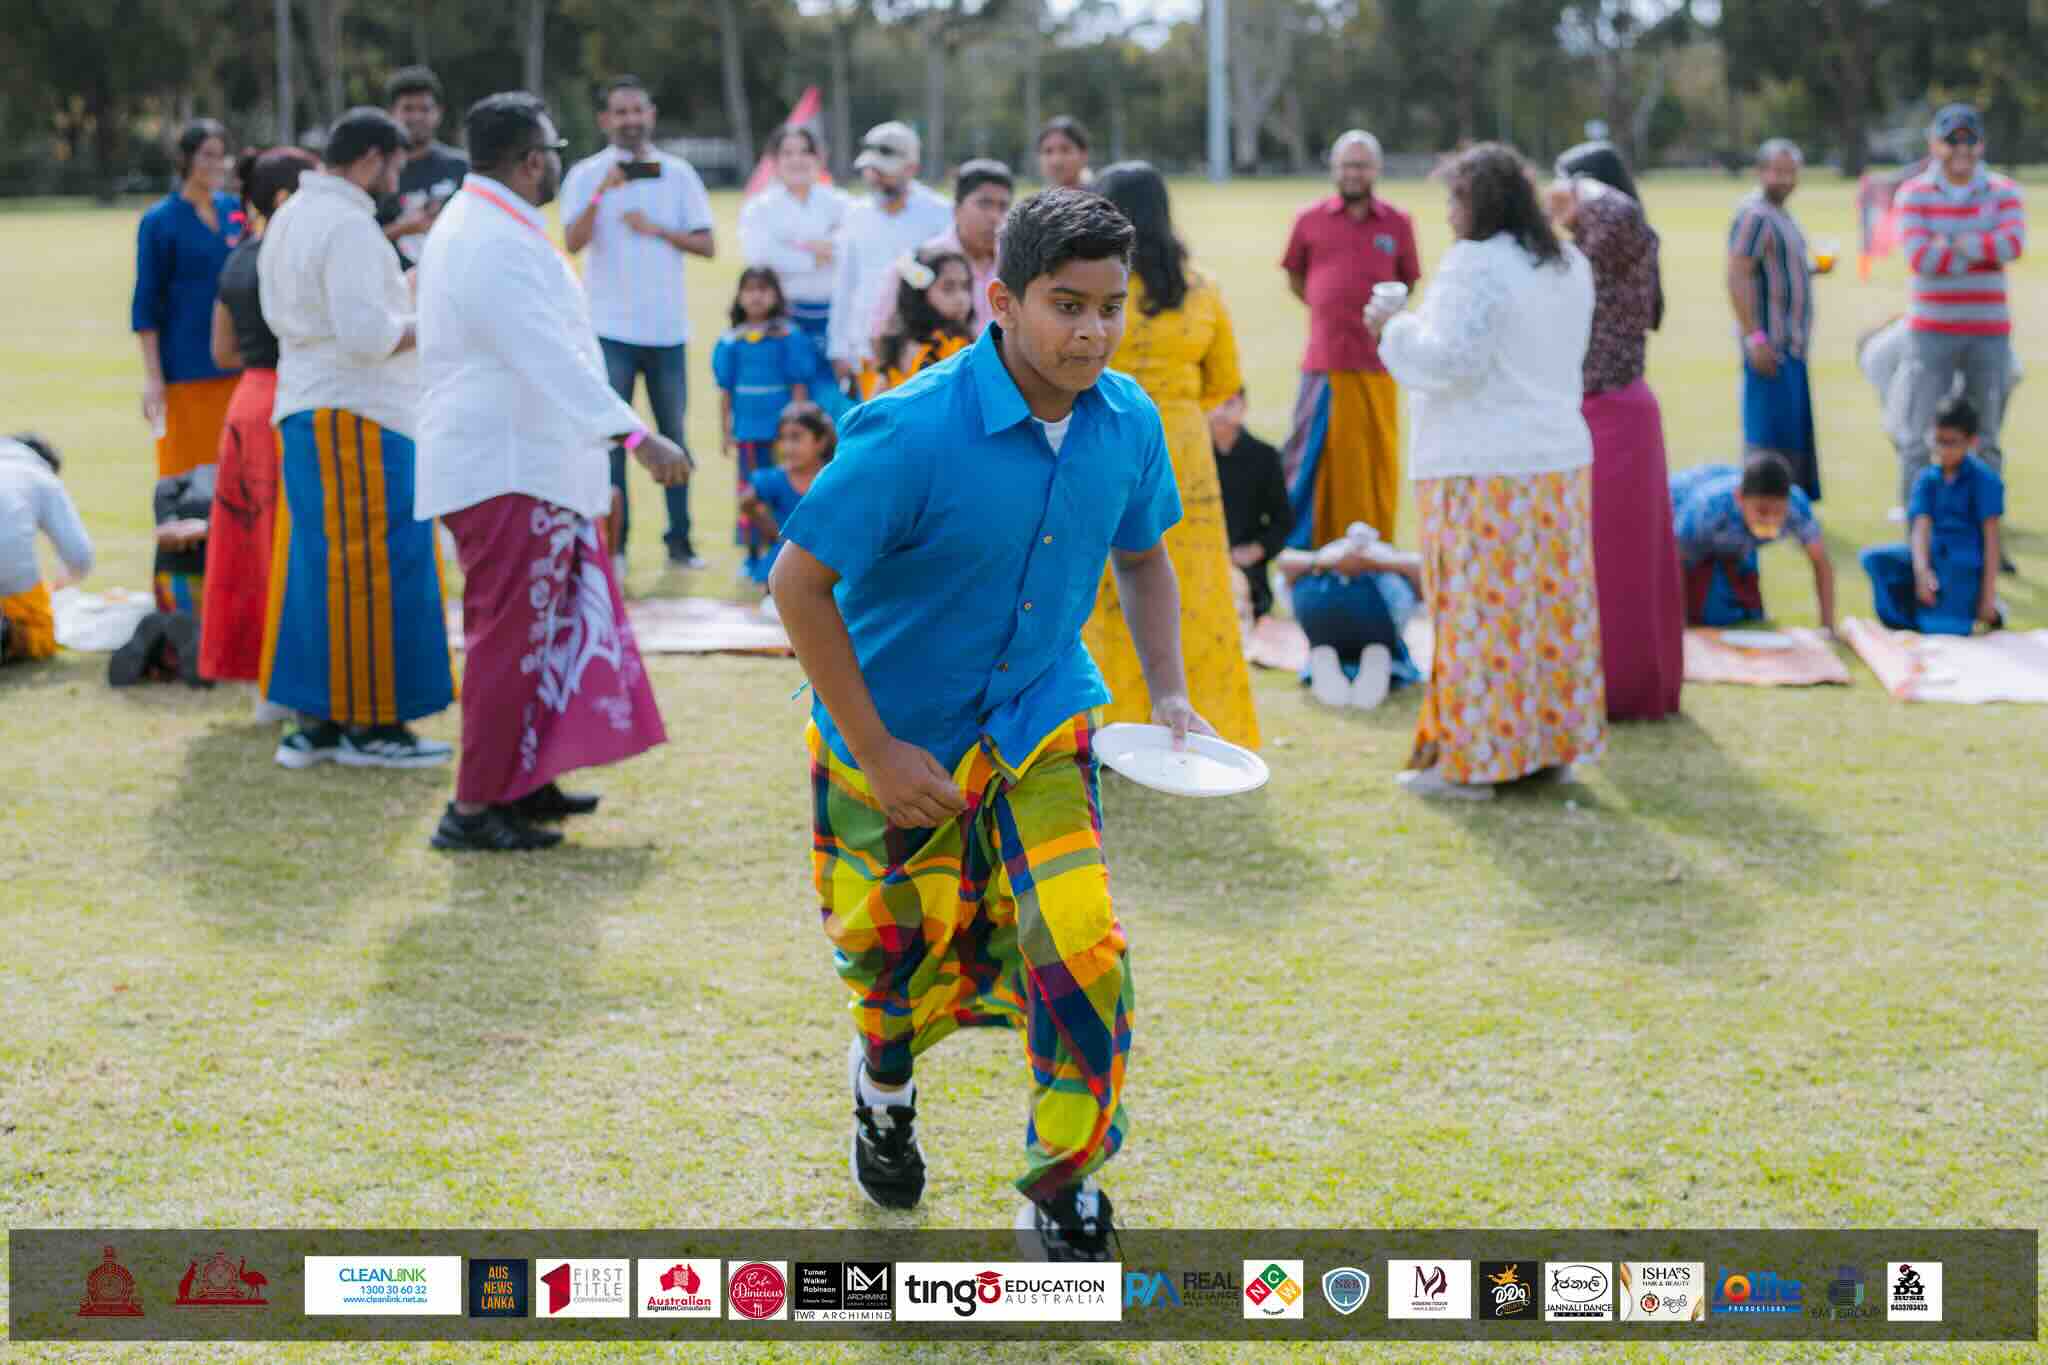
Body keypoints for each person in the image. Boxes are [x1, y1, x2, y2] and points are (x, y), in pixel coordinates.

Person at [769, 187, 1209, 1259]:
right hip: (891, 733)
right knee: (888, 959)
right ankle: (882, 1090)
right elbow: (796, 584)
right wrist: (873, 749)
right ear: (1001, 302)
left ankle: (1062, 1189)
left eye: (1110, 305)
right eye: (1067, 304)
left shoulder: (1128, 422)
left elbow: (1144, 555)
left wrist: (1169, 693)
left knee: (1079, 949)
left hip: (1041, 723)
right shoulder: (908, 430)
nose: (1093, 331)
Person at [416, 91, 687, 852]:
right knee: (508, 640)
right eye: (553, 151)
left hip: (528, 461)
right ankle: (472, 809)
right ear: (532, 159)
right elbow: (542, 352)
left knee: (543, 633)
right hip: (504, 464)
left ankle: (524, 781)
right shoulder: (484, 236)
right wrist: (639, 438)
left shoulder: (493, 224)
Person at [1369, 141, 1604, 802]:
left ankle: (1472, 761)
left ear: (1480, 203)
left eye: (1455, 198)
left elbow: (1452, 363)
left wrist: (1393, 327)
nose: (1447, 214)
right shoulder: (1569, 264)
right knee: (1548, 613)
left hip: (1481, 465)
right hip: (1555, 460)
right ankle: (1548, 748)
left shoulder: (1476, 264)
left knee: (1478, 614)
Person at [258, 106, 454, 769]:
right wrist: (434, 316)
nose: (396, 179)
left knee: (322, 566)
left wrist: (406, 292)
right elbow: (369, 336)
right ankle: (372, 724)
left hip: (311, 402)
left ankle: (317, 720)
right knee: (377, 564)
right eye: (394, 164)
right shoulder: (347, 225)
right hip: (357, 411)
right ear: (371, 159)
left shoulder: (291, 214)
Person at [1080, 161, 1262, 750]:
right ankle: (1201, 723)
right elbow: (1224, 381)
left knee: (1106, 586)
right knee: (1193, 587)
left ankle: (1106, 724)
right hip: (1181, 446)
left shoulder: (1096, 292)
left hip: (1103, 431)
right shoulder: (1201, 288)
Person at [1549, 141, 1684, 722]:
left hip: (1611, 413)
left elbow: (1613, 213)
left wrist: (1576, 193)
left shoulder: (1618, 227)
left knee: (1613, 560)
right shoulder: (1600, 244)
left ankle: (1618, 687)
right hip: (1601, 409)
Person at [561, 75, 716, 570]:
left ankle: (680, 542)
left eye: (637, 110)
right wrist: (600, 196)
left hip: (667, 330)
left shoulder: (678, 174)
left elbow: (707, 244)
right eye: (619, 112)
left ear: (651, 114)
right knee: (613, 439)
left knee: (673, 434)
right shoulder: (587, 175)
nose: (629, 120)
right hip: (608, 331)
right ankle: (617, 546)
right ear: (605, 120)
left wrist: (658, 230)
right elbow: (572, 241)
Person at [201, 145, 318, 688]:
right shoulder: (294, 257)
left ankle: (251, 668)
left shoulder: (239, 256)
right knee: (286, 543)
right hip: (287, 399)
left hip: (246, 399)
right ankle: (290, 671)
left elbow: (221, 351)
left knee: (246, 545)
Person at [1892, 103, 2025, 571]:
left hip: (1989, 333)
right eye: (1952, 141)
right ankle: (1914, 542)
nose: (1960, 151)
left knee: (1986, 439)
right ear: (1936, 145)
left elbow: (2012, 244)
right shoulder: (1913, 194)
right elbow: (1919, 256)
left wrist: (1952, 245)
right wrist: (1979, 246)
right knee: (1917, 438)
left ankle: (1989, 545)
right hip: (1931, 332)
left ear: (1981, 145)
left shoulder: (2005, 191)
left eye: (1969, 142)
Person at [1278, 130, 1421, 548]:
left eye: (1360, 165)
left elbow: (1408, 279)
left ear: (1375, 169)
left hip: (1378, 365)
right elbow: (1295, 276)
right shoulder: (1309, 220)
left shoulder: (1398, 222)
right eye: (1345, 165)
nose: (1353, 174)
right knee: (1313, 464)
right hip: (1324, 361)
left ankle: (1375, 552)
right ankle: (1312, 553)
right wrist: (1326, 304)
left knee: (1374, 465)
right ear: (1334, 169)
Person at [133, 118, 244, 480]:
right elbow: (146, 304)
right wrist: (153, 378)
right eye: (206, 155)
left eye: (222, 156)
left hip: (237, 364)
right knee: (188, 477)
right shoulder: (160, 221)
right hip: (186, 369)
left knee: (237, 474)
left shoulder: (235, 212)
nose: (215, 164)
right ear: (185, 159)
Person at [1728, 138, 1830, 502]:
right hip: (1769, 346)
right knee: (1767, 436)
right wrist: (1754, 337)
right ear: (1761, 172)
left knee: (1790, 434)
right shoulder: (1755, 216)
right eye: (1777, 171)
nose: (1785, 179)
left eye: (1791, 172)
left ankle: (1788, 506)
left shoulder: (1782, 216)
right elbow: (1738, 274)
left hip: (1793, 345)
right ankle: (1760, 507)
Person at [1861, 396, 2003, 635]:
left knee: (1942, 628)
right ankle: (1919, 612)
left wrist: (1987, 597)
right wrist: (1922, 572)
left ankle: (1988, 609)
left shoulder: (1984, 480)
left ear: (1971, 442)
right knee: (1874, 559)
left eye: (1950, 443)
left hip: (1962, 565)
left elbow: (1991, 541)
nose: (1942, 450)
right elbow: (1921, 529)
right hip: (1932, 558)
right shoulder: (1927, 478)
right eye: (1938, 441)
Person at [826, 121, 953, 382]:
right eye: (871, 169)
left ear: (912, 168)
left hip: (924, 350)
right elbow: (844, 284)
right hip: (865, 348)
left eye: (884, 170)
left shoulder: (940, 214)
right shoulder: (854, 214)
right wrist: (838, 348)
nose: (875, 177)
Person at [713, 266, 816, 576]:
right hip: (747, 430)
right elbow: (726, 390)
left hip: (779, 431)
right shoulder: (731, 341)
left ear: (776, 295)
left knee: (782, 488)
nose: (756, 296)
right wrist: (726, 430)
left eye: (764, 289)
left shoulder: (788, 336)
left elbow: (799, 384)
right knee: (749, 492)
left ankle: (786, 551)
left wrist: (798, 428)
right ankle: (752, 553)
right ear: (740, 296)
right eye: (750, 289)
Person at [1670, 452, 1837, 632]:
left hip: (1733, 538)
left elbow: (1821, 563)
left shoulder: (1797, 507)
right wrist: (1680, 623)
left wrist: (1827, 627)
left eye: (1778, 512)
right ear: (1740, 499)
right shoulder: (1709, 508)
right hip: (1678, 519)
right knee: (1710, 612)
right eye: (1762, 511)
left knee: (1743, 608)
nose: (1770, 521)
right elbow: (1674, 561)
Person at [1273, 524, 1423, 710]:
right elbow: (1422, 573)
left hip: (1324, 616)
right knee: (1384, 647)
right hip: (1376, 619)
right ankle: (1380, 660)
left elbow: (1283, 564)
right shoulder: (1386, 561)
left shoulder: (1324, 559)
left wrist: (1363, 562)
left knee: (1326, 645)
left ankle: (1325, 658)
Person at [870, 159, 1013, 340]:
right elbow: (880, 333)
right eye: (984, 204)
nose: (995, 216)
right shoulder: (917, 265)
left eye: (1003, 207)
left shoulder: (1017, 265)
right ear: (956, 209)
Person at [738, 124, 850, 351]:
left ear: (819, 158)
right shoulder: (759, 208)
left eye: (805, 151)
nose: (797, 160)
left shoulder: (842, 203)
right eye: (787, 153)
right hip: (780, 317)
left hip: (837, 317)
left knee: (830, 386)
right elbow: (760, 258)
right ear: (775, 161)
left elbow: (850, 249)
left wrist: (794, 246)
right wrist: (814, 257)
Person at [0, 434, 92, 665]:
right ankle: (8, 635)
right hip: (11, 579)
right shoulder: (41, 477)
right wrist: (62, 582)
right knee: (40, 633)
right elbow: (79, 555)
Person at [1207, 388, 1290, 620]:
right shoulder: (1189, 457)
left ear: (1244, 407)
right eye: (1215, 402)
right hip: (1199, 559)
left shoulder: (1264, 457)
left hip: (1246, 569)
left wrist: (1257, 550)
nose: (1221, 411)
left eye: (1230, 403)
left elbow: (1283, 521)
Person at [373, 66, 469, 266]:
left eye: (425, 109)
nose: (417, 117)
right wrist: (404, 228)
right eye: (408, 109)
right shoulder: (374, 172)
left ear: (439, 113)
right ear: (391, 113)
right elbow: (359, 240)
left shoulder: (461, 168)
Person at [737, 400, 833, 591]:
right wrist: (772, 531)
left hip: (827, 559)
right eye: (783, 438)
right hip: (785, 561)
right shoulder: (774, 479)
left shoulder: (832, 478)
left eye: (796, 438)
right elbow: (746, 501)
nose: (788, 447)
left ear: (821, 442)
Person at [858, 246, 975, 400]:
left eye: (965, 286)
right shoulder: (911, 349)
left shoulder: (964, 341)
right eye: (948, 288)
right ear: (919, 294)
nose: (962, 298)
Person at [1035, 116, 1091, 191]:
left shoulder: (1102, 197)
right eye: (1048, 151)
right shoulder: (1037, 201)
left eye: (1065, 150)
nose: (1056, 160)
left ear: (1083, 154)